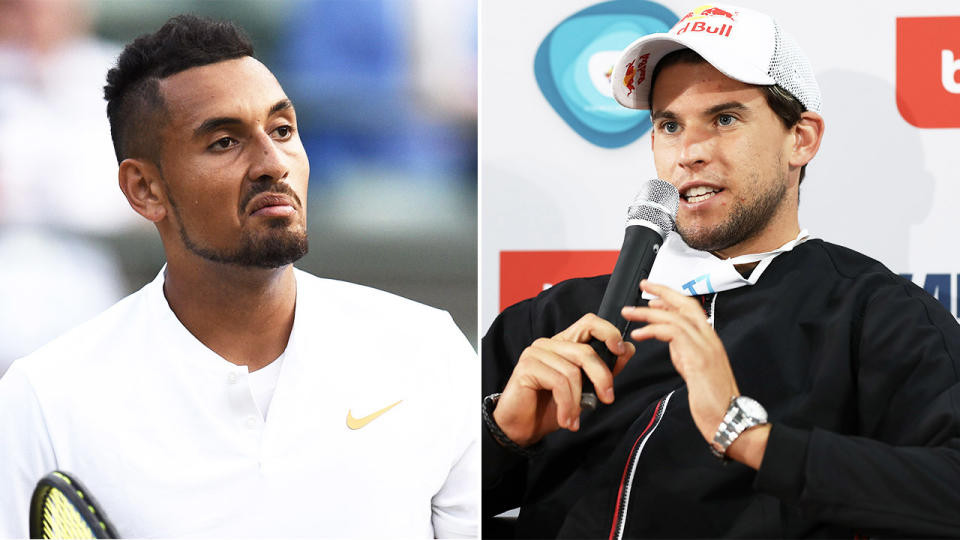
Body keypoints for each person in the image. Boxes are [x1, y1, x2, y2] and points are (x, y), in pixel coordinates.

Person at [482, 4, 960, 538]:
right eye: (669, 125)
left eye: (725, 119)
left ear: (800, 139)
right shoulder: (556, 317)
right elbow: (414, 494)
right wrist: (502, 437)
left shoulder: (878, 316)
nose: (688, 152)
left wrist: (751, 438)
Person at [0, 15, 477, 538]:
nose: (273, 162)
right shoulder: (44, 398)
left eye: (283, 130)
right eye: (225, 142)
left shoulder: (429, 348)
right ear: (144, 189)